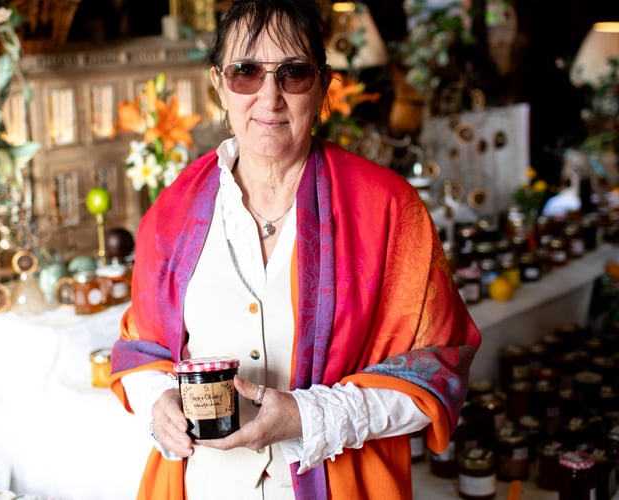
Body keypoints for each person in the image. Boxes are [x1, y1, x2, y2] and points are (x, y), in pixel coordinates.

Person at [110, 0, 481, 498]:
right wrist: (158, 401)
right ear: (219, 84)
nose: (270, 97)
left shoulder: (388, 207)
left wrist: (307, 416)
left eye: (293, 73)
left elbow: (438, 370)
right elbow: (141, 354)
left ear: (324, 85)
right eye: (246, 72)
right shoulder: (173, 213)